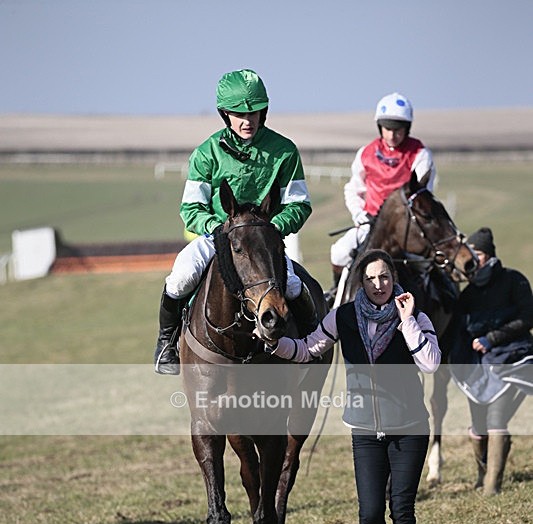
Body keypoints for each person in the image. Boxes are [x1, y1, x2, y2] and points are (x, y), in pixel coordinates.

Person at [262, 249, 441, 524]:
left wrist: (407, 322)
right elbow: (308, 348)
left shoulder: (416, 316)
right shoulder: (342, 317)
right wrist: (273, 343)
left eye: (385, 277)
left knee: (401, 509)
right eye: (372, 278)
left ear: (394, 278)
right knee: (369, 513)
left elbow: (431, 363)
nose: (379, 285)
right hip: (364, 430)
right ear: (361, 281)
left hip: (409, 428)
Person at [154, 68, 317, 374]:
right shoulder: (206, 153)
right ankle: (166, 343)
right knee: (181, 276)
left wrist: (272, 229)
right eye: (238, 113)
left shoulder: (285, 152)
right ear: (224, 114)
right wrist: (219, 231)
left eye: (254, 112)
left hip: (264, 242)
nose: (247, 120)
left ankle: (312, 344)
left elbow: (299, 204)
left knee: (294, 287)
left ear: (264, 112)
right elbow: (191, 208)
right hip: (216, 238)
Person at [328, 93, 436, 301]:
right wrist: (360, 215)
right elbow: (353, 189)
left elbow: (424, 195)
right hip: (371, 223)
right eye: (388, 129)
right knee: (339, 252)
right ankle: (336, 295)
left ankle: (443, 298)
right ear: (380, 127)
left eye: (399, 129)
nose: (393, 135)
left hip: (408, 227)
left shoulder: (420, 154)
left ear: (408, 128)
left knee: (433, 259)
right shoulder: (366, 153)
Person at [450, 227, 533, 495]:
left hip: (513, 357)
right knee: (478, 424)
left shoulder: (514, 280)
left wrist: (493, 338)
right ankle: (481, 475)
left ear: (491, 255)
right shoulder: (468, 293)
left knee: (497, 418)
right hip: (478, 367)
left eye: (480, 253)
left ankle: (491, 487)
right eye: (472, 252)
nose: (475, 258)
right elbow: (457, 329)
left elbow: (527, 318)